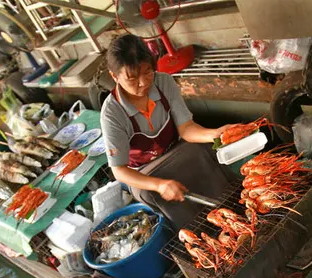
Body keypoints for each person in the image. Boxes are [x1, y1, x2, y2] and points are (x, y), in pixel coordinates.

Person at [100, 34, 241, 228]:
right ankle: (197, 233)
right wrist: (159, 184)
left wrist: (216, 134)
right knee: (150, 194)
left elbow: (186, 129)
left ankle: (236, 207)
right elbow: (120, 171)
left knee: (205, 151)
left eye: (148, 72)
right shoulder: (111, 113)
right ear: (114, 76)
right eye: (132, 78)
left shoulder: (164, 82)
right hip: (144, 171)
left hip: (177, 148)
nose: (143, 83)